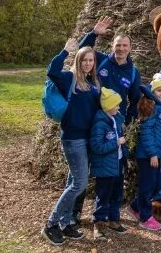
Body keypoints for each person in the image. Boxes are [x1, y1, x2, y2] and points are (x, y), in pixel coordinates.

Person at [74, 16, 141, 223]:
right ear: (112, 46)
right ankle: (74, 214)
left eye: (124, 45)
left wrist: (126, 122)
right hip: (90, 120)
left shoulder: (132, 72)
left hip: (114, 124)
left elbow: (136, 100)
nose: (121, 48)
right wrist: (94, 33)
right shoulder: (101, 59)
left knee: (114, 170)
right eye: (118, 45)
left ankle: (110, 215)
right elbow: (81, 53)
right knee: (81, 169)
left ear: (130, 48)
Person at [41, 39, 100, 246]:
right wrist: (65, 51)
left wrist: (93, 35)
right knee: (80, 183)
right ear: (78, 61)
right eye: (84, 60)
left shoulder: (93, 83)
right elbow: (52, 71)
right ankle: (51, 223)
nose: (87, 63)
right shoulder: (69, 78)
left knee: (72, 181)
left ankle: (66, 223)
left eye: (91, 60)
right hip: (73, 138)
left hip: (87, 139)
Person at [126, 76, 161, 231]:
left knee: (157, 185)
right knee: (148, 185)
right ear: (153, 91)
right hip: (148, 156)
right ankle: (145, 217)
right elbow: (146, 132)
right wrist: (152, 154)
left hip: (158, 154)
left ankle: (134, 207)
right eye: (159, 90)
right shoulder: (151, 107)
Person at [90, 87, 129, 239]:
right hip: (105, 167)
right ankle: (98, 225)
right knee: (103, 195)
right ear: (107, 106)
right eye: (116, 105)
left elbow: (121, 138)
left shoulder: (116, 118)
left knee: (117, 193)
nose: (119, 107)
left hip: (117, 163)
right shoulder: (100, 123)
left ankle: (114, 219)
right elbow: (97, 146)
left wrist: (125, 157)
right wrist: (116, 142)